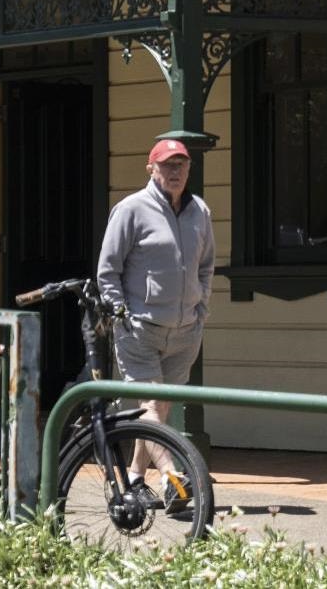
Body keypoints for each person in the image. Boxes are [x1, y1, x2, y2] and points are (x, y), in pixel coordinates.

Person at [96, 137, 215, 512]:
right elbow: (108, 270)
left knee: (159, 408)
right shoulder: (131, 209)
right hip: (139, 328)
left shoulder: (200, 212)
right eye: (167, 165)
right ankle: (171, 478)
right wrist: (121, 315)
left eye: (181, 164)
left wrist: (200, 310)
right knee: (150, 404)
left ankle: (134, 479)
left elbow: (206, 266)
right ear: (152, 168)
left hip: (184, 330)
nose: (175, 171)